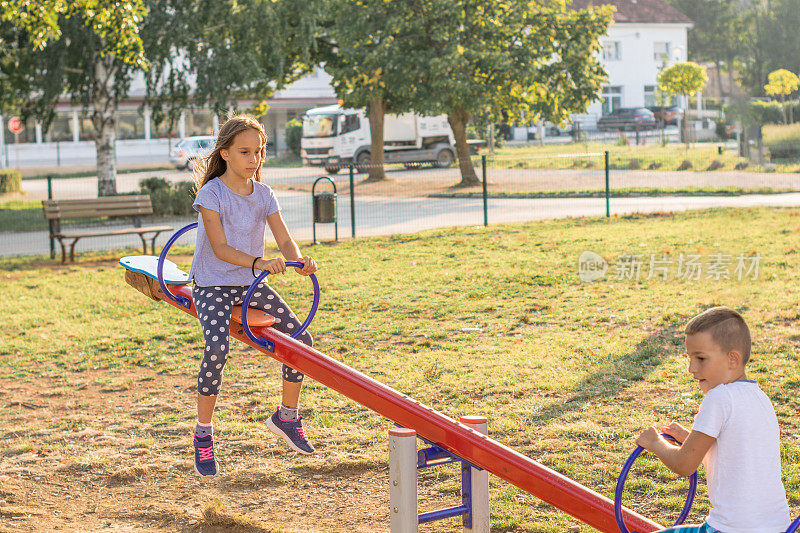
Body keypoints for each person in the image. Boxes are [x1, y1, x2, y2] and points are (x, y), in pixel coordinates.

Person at [189, 114, 318, 476]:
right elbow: (219, 249)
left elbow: (285, 239)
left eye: (259, 152)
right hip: (213, 282)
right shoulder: (211, 193)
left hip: (249, 285)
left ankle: (286, 417)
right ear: (226, 153)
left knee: (301, 339)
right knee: (216, 348)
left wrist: (299, 261)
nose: (254, 159)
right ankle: (203, 435)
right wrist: (260, 262)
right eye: (245, 151)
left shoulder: (263, 194)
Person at [636, 306, 790, 533]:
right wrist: (690, 439)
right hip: (779, 527)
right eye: (690, 358)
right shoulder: (760, 398)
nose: (691, 368)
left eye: (700, 358)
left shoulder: (719, 396)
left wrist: (655, 443)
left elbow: (684, 465)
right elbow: (734, 456)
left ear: (733, 359)